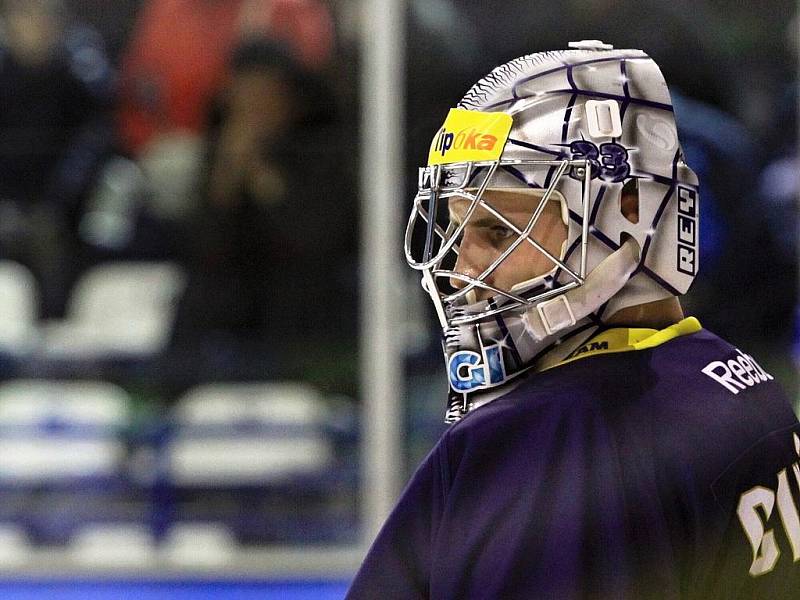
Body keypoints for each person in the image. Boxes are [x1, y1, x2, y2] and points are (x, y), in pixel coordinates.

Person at [347, 42, 800, 599]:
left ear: (627, 214)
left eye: (496, 233)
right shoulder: (736, 377)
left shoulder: (559, 430)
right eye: (456, 232)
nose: (461, 269)